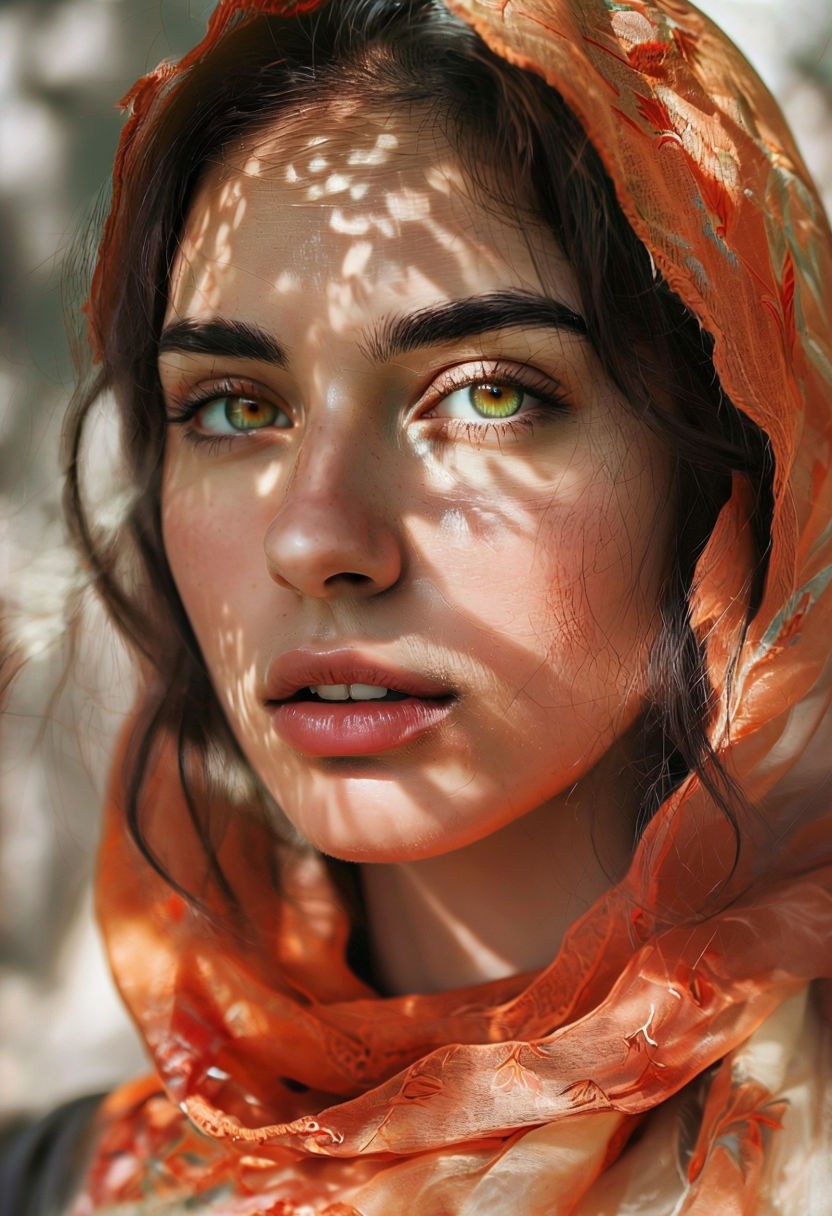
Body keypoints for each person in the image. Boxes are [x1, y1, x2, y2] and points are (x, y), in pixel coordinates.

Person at [5, 0, 832, 1210]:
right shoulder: (55, 1186)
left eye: (488, 394)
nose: (316, 537)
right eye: (234, 405)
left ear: (736, 466)